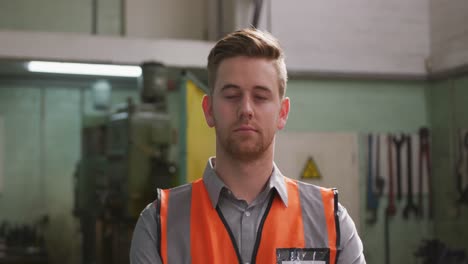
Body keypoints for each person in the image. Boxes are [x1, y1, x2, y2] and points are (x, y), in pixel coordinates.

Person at [130, 28, 365, 264]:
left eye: (261, 97)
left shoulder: (331, 222)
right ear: (209, 110)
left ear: (282, 113)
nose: (246, 110)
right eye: (232, 95)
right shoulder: (158, 225)